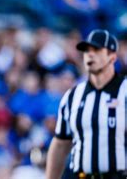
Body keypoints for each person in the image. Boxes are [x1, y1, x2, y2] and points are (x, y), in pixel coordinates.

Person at [46, 29, 126, 179]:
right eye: (86, 50)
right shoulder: (72, 96)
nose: (90, 54)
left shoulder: (125, 92)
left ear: (112, 56)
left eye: (96, 50)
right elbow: (60, 144)